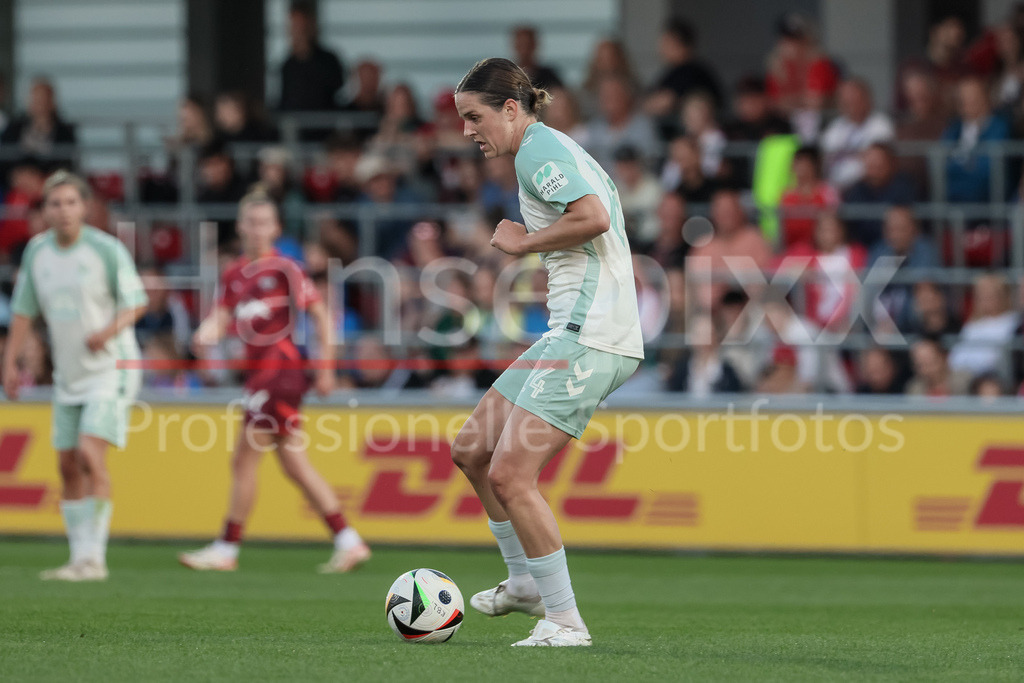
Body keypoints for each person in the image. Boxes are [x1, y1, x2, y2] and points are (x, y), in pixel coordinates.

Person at [452, 58, 643, 647]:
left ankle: (564, 620)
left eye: (474, 116)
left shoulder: (537, 151)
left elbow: (593, 217)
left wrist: (524, 244)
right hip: (570, 331)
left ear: (511, 109)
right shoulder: (548, 148)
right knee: (473, 450)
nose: (467, 130)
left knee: (511, 474)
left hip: (590, 334)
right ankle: (525, 583)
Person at [178, 188, 370, 573]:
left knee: (244, 459)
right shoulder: (234, 273)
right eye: (251, 222)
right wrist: (205, 334)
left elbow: (320, 315)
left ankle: (226, 548)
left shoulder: (285, 268)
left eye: (264, 222)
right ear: (240, 226)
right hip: (260, 375)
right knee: (294, 464)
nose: (257, 229)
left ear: (276, 228)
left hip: (279, 372)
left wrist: (326, 369)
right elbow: (221, 315)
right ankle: (349, 541)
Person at [2, 170, 148, 581]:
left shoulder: (105, 250)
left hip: (112, 369)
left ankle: (94, 559)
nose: (64, 210)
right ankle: (78, 557)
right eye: (55, 203)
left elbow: (136, 302)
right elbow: (23, 312)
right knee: (67, 465)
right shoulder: (37, 253)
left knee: (88, 453)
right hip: (68, 375)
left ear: (84, 207)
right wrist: (9, 362)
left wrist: (107, 332)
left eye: (71, 202)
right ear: (44, 210)